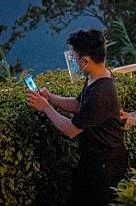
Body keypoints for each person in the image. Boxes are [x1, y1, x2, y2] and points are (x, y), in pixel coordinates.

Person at [27, 29, 128, 206]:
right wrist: (50, 97)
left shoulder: (101, 92)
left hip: (105, 165)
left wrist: (46, 107)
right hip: (94, 161)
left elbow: (71, 129)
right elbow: (78, 105)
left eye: (74, 58)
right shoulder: (96, 78)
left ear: (85, 61)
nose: (73, 62)